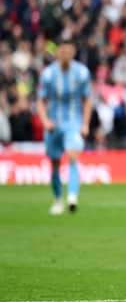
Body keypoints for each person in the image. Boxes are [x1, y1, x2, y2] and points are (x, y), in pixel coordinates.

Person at [36, 38, 92, 215]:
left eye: (69, 50)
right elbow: (40, 100)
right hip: (53, 124)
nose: (66, 53)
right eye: (63, 50)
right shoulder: (48, 74)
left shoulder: (82, 72)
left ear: (73, 52)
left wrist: (85, 124)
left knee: (73, 156)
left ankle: (72, 197)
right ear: (58, 52)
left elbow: (88, 99)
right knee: (54, 163)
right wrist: (45, 121)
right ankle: (58, 199)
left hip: (73, 123)